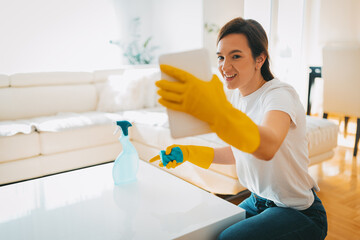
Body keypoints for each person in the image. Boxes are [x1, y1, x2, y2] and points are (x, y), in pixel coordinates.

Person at [150, 17, 327, 240]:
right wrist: (188, 152)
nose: (225, 66)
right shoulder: (238, 97)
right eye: (221, 57)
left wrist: (219, 114)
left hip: (299, 211)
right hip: (259, 200)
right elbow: (240, 149)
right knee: (206, 228)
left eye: (236, 56)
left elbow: (267, 145)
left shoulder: (279, 95)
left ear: (259, 59)